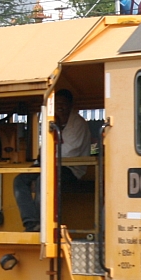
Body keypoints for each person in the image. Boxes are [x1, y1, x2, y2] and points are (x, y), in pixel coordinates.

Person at [13, 89, 92, 232]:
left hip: (71, 169)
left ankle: (44, 224)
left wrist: (45, 160)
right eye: (57, 104)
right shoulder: (51, 122)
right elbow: (43, 149)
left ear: (70, 105)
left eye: (63, 103)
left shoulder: (78, 123)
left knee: (43, 179)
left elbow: (69, 152)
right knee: (19, 180)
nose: (60, 107)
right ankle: (31, 223)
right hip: (49, 165)